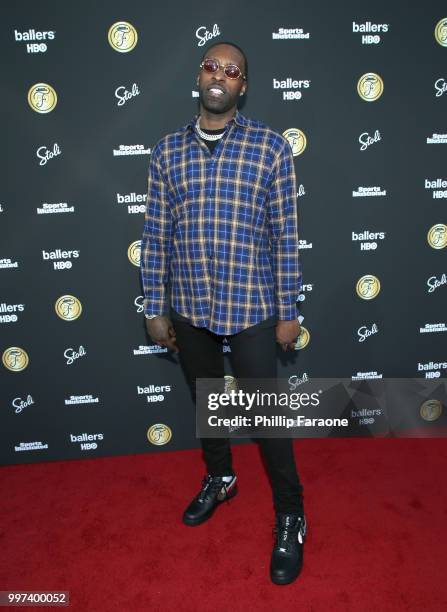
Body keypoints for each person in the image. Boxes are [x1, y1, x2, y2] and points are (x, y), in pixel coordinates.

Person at [140, 41, 306, 585]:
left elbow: (286, 237)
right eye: (212, 66)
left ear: (243, 86)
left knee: (267, 420)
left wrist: (289, 310)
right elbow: (156, 234)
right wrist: (154, 306)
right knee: (206, 400)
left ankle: (291, 516)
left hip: (253, 306)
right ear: (199, 76)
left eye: (232, 71)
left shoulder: (272, 148)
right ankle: (221, 478)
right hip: (188, 307)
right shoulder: (167, 151)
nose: (221, 76)